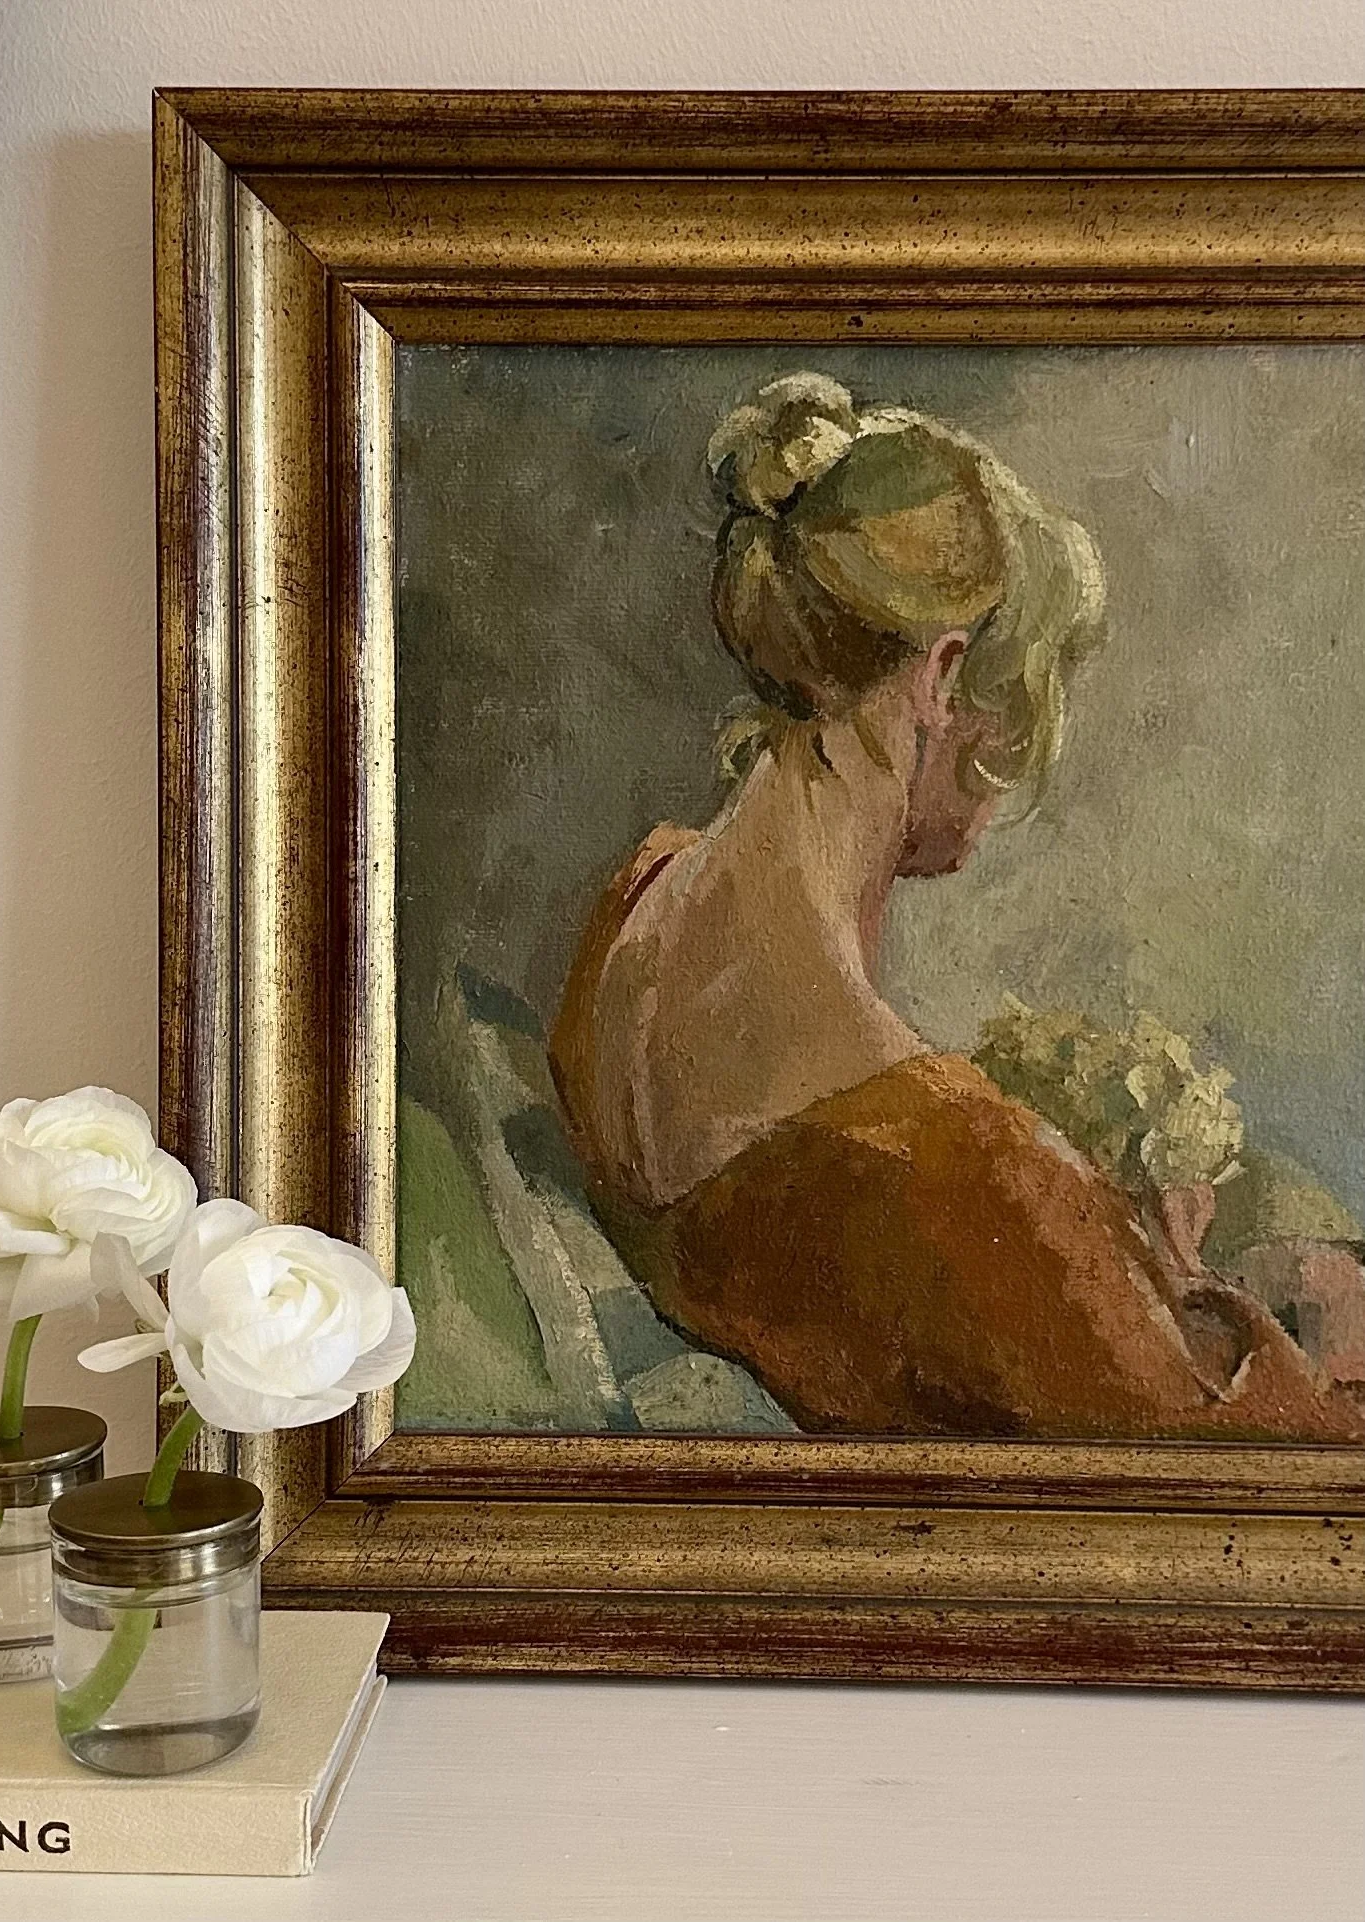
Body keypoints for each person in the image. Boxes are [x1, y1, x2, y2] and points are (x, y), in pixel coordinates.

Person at [550, 372, 1362, 1442]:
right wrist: (1172, 1280)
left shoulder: (632, 908)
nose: (1008, 769)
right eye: (1014, 706)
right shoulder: (965, 1170)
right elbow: (1258, 1456)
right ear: (940, 675)